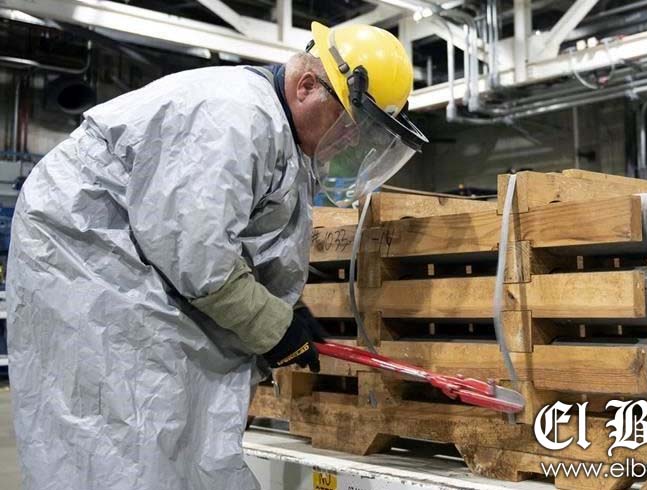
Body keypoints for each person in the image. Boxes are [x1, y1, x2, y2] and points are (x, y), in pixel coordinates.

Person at [7, 21, 426, 490]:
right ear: (307, 86)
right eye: (349, 123)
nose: (349, 141)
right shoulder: (233, 117)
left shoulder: (282, 135)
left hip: (134, 252)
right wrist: (273, 325)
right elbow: (198, 257)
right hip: (90, 247)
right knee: (127, 417)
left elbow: (237, 239)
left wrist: (284, 312)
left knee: (176, 415)